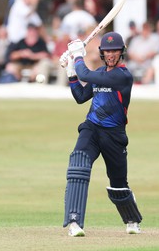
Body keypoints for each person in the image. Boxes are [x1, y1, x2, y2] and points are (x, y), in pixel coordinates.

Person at [59, 31, 143, 237]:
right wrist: (71, 70)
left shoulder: (122, 76)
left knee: (118, 183)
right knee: (78, 163)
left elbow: (86, 75)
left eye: (114, 51)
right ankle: (74, 222)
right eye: (107, 51)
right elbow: (80, 96)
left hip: (114, 135)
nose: (111, 55)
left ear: (121, 52)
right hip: (92, 128)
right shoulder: (99, 72)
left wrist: (78, 55)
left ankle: (132, 220)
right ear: (102, 53)